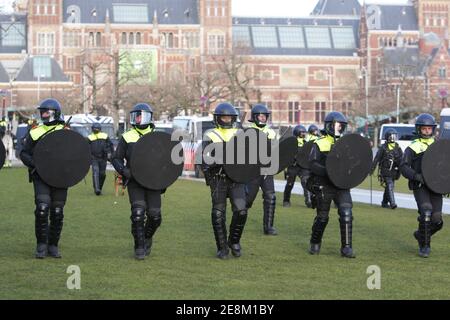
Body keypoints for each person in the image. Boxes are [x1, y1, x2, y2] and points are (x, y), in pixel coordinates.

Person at [112, 103, 162, 260]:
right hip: (134, 182)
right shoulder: (127, 137)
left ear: (148, 117)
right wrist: (124, 171)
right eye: (136, 116)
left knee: (155, 216)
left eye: (141, 116)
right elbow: (116, 158)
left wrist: (164, 179)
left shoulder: (157, 136)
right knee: (138, 213)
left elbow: (166, 161)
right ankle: (139, 246)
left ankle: (146, 238)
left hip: (153, 182)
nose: (138, 119)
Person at [20, 98, 67, 259]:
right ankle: (41, 244)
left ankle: (53, 245)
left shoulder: (66, 130)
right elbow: (24, 153)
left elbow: (75, 153)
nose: (44, 114)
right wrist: (36, 164)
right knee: (42, 209)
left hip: (60, 178)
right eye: (42, 112)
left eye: (46, 112)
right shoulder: (35, 131)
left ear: (55, 113)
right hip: (41, 177)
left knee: (57, 211)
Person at [201, 102, 248, 259]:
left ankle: (234, 241)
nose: (227, 120)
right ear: (218, 118)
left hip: (237, 178)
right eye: (224, 117)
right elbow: (205, 159)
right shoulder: (210, 135)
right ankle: (222, 247)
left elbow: (249, 157)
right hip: (218, 178)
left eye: (229, 117)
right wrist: (216, 162)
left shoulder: (240, 133)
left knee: (241, 211)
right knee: (218, 213)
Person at [307, 111, 356, 258]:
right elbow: (312, 164)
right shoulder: (319, 143)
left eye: (340, 126)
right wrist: (327, 171)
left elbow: (351, 163)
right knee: (322, 217)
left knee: (346, 212)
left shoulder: (346, 144)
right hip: (324, 185)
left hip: (341, 185)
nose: (337, 128)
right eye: (335, 125)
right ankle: (315, 242)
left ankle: (346, 247)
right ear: (328, 126)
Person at [400, 113, 443, 258]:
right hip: (420, 185)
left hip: (436, 187)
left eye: (429, 129)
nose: (426, 131)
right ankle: (425, 246)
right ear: (419, 129)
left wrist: (446, 184)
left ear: (433, 130)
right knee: (426, 211)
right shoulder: (412, 148)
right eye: (424, 129)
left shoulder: (438, 145)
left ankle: (420, 235)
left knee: (437, 221)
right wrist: (416, 176)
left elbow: (445, 166)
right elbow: (404, 167)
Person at [245, 104, 278, 235]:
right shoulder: (247, 132)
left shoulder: (272, 133)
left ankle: (268, 227)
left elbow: (276, 151)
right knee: (248, 199)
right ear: (254, 117)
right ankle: (239, 221)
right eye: (259, 116)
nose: (261, 118)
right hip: (252, 171)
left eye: (263, 116)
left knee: (271, 196)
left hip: (267, 171)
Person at [371, 129, 403, 209]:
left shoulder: (398, 147)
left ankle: (384, 202)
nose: (393, 138)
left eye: (394, 136)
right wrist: (372, 169)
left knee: (389, 187)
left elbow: (402, 160)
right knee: (390, 184)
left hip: (394, 171)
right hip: (385, 170)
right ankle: (393, 203)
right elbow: (377, 158)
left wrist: (401, 169)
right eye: (391, 136)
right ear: (387, 137)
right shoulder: (383, 147)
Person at [283, 125, 312, 208]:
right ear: (297, 132)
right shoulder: (291, 143)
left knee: (306, 182)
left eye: (304, 132)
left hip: (303, 167)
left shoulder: (306, 143)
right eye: (302, 132)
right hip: (292, 167)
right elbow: (286, 155)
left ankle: (309, 201)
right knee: (289, 184)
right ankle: (286, 200)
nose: (304, 134)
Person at [88, 123, 113, 195]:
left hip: (103, 158)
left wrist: (111, 154)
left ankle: (100, 188)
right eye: (94, 128)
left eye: (97, 128)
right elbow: (85, 148)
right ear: (92, 129)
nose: (96, 129)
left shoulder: (105, 136)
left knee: (102, 174)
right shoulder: (89, 137)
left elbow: (110, 145)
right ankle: (97, 189)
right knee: (95, 172)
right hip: (93, 158)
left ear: (99, 129)